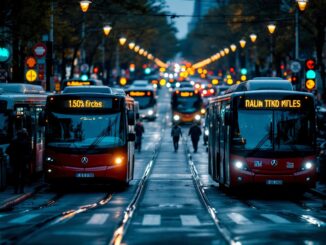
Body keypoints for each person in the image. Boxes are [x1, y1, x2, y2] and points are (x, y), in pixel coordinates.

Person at [6, 128, 32, 194]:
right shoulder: (27, 141)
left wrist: (12, 156)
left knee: (16, 175)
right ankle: (21, 190)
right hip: (23, 161)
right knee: (23, 175)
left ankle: (16, 190)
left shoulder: (14, 141)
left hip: (15, 161)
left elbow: (8, 150)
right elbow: (29, 152)